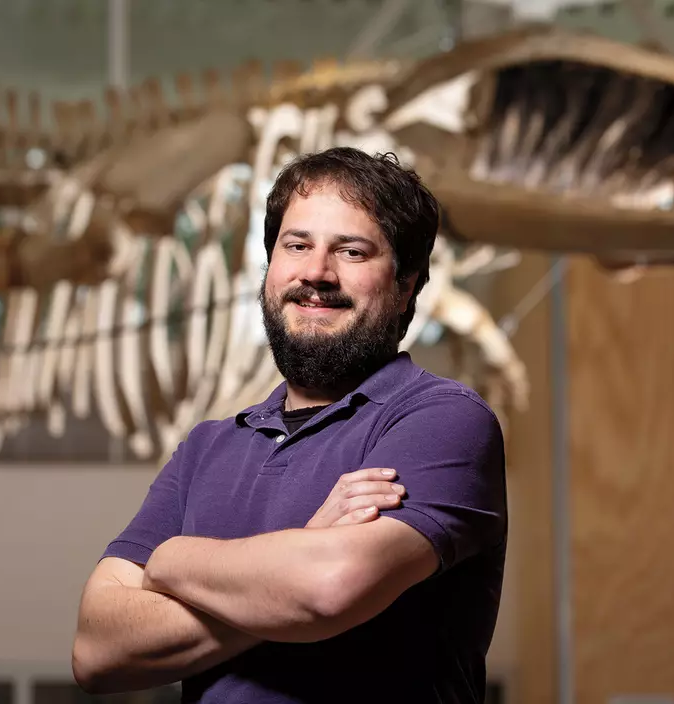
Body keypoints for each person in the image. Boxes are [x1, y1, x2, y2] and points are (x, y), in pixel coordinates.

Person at [71, 147, 507, 703]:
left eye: (351, 251)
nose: (316, 273)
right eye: (297, 245)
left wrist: (171, 560)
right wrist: (303, 550)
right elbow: (96, 649)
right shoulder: (208, 447)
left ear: (404, 287)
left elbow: (326, 590)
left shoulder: (441, 421)